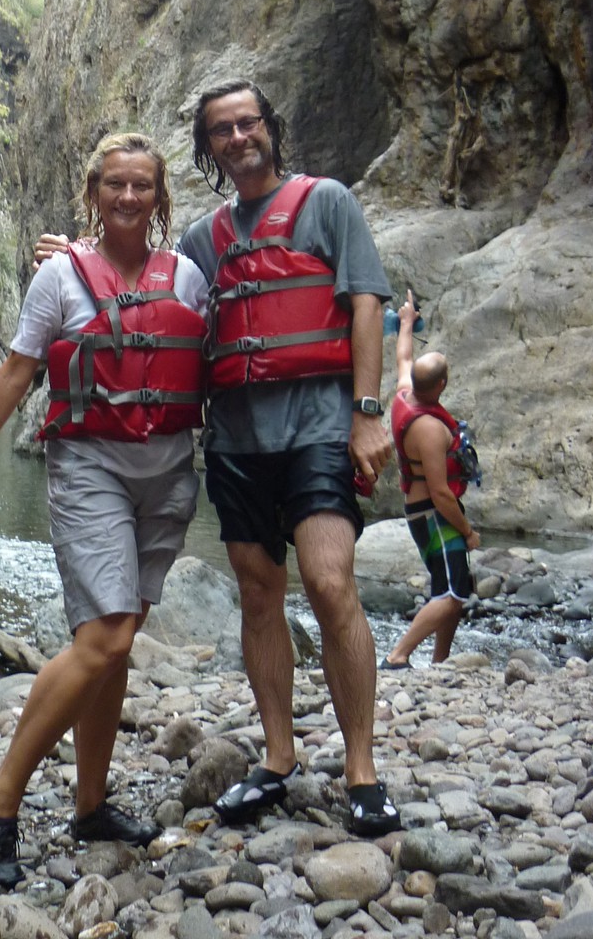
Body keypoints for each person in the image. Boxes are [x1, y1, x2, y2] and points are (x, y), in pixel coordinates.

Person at [0, 132, 208, 887]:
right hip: (90, 472)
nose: (129, 198)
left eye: (143, 186)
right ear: (93, 193)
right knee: (107, 637)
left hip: (168, 477)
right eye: (115, 185)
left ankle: (89, 804)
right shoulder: (59, 280)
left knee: (112, 643)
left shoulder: (189, 280)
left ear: (161, 197)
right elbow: (15, 376)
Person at [177, 79, 401, 836]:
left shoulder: (327, 202)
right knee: (258, 592)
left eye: (249, 123)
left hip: (318, 424)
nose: (239, 138)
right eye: (222, 130)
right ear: (208, 148)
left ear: (271, 127)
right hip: (237, 439)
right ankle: (278, 759)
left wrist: (369, 412)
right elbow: (160, 306)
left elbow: (367, 300)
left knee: (330, 583)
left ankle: (363, 770)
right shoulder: (203, 241)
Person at [381, 287, 480, 669]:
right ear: (439, 386)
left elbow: (403, 354)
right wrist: (467, 531)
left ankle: (441, 662)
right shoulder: (431, 431)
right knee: (454, 595)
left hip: (423, 511)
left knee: (447, 587)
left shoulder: (406, 392)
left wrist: (406, 321)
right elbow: (440, 492)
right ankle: (398, 654)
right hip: (432, 514)